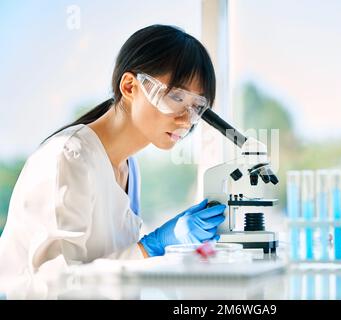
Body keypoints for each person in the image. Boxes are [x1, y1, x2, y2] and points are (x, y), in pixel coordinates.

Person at [0, 24, 226, 283]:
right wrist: (151, 247)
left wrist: (166, 250)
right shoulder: (67, 157)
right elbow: (53, 285)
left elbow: (109, 263)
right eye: (176, 97)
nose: (186, 121)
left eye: (196, 107)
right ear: (130, 86)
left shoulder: (129, 168)